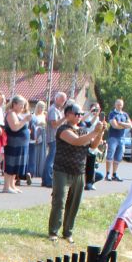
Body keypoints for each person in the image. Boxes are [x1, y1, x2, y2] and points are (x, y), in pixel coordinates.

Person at [46, 101, 105, 243]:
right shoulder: (63, 129)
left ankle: (68, 232)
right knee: (59, 201)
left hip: (79, 170)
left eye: (81, 114)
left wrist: (99, 133)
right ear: (68, 115)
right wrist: (94, 132)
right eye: (76, 114)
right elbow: (77, 141)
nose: (79, 116)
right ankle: (53, 231)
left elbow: (93, 145)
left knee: (74, 204)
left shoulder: (83, 130)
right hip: (62, 170)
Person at [2, 94, 30, 193]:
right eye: (21, 104)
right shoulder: (11, 113)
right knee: (11, 164)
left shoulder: (18, 114)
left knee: (16, 165)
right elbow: (14, 127)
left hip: (20, 143)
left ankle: (12, 185)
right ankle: (6, 187)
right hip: (13, 143)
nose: (23, 107)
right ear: (14, 104)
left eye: (23, 104)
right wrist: (25, 120)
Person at [43, 91, 67, 188]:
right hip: (53, 137)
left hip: (57, 137)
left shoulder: (58, 110)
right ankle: (47, 179)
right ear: (56, 99)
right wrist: (64, 118)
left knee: (51, 158)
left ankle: (46, 179)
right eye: (62, 100)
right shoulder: (53, 110)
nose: (63, 102)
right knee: (51, 159)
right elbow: (54, 124)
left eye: (64, 101)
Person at [104, 98, 130, 181]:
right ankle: (107, 174)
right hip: (113, 137)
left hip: (122, 138)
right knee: (110, 155)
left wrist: (121, 123)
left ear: (123, 105)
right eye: (118, 104)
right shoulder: (112, 114)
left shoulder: (125, 114)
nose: (119, 106)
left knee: (118, 157)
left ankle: (114, 174)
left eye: (120, 105)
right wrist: (124, 126)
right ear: (115, 105)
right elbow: (114, 125)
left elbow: (130, 125)